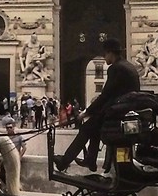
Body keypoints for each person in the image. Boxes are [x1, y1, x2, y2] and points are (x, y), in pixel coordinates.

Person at [53, 38, 141, 173]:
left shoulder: (116, 68)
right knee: (93, 128)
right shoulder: (128, 66)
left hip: (117, 113)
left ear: (111, 53)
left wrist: (86, 112)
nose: (104, 58)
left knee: (86, 129)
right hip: (125, 110)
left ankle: (64, 162)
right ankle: (90, 159)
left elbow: (105, 95)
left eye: (105, 54)